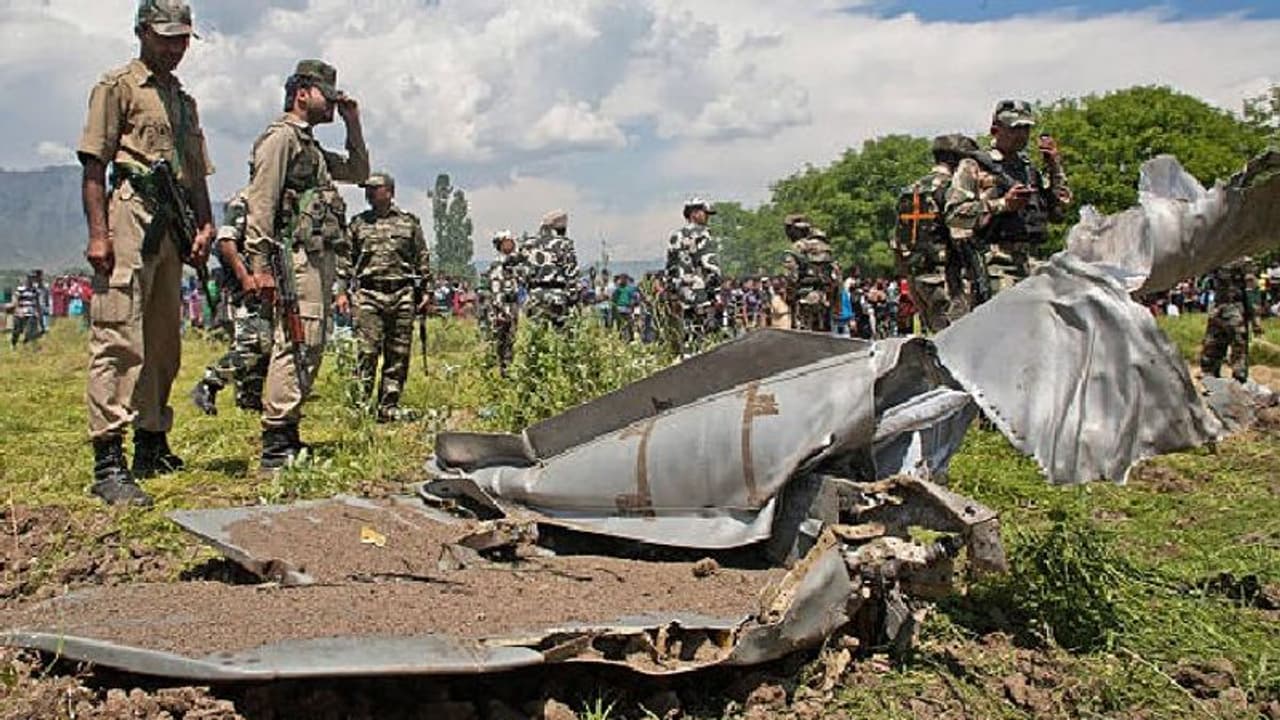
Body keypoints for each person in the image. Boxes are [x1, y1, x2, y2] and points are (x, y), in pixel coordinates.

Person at [78, 0, 216, 506]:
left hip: (173, 225)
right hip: (130, 214)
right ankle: (108, 459)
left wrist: (205, 224)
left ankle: (152, 440)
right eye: (166, 37)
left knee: (162, 341)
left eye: (182, 38)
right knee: (118, 335)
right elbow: (94, 165)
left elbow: (196, 173)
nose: (176, 48)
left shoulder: (184, 101)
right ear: (142, 32)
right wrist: (99, 235)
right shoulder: (117, 86)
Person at [242, 59, 368, 472]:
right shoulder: (281, 139)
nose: (332, 103)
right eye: (326, 96)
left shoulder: (308, 145)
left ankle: (288, 433)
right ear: (301, 94)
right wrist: (259, 264)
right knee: (296, 339)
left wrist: (353, 123)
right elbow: (261, 202)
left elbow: (359, 171)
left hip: (316, 257)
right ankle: (276, 443)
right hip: (293, 257)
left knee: (308, 341)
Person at [946, 100, 1071, 292]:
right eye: (1014, 128)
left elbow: (1058, 213)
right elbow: (954, 215)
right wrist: (1003, 204)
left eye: (1026, 128)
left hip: (1033, 265)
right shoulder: (974, 166)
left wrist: (1054, 167)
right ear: (995, 130)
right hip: (995, 266)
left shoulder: (1029, 170)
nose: (1021, 135)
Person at [345, 171, 430, 422]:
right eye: (367, 189)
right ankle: (360, 405)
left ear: (389, 192)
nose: (369, 193)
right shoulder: (358, 224)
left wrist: (426, 291)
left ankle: (388, 406)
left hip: (402, 293)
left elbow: (422, 258)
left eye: (375, 188)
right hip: (368, 293)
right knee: (366, 351)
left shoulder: (409, 223)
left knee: (398, 353)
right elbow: (345, 261)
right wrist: (342, 292)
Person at [191, 193, 272, 415]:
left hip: (268, 286)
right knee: (252, 345)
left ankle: (249, 400)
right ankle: (210, 382)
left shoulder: (272, 201)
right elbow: (226, 242)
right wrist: (244, 277)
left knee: (265, 348)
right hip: (248, 288)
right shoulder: (245, 201)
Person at [894, 134, 981, 333]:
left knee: (936, 335)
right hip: (946, 277)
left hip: (916, 276)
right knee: (957, 337)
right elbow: (960, 234)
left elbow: (898, 240)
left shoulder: (910, 190)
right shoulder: (951, 188)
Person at [665, 198, 722, 353]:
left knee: (686, 335)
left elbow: (670, 267)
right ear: (694, 213)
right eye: (705, 213)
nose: (707, 217)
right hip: (700, 293)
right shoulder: (703, 235)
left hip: (681, 294)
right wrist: (716, 294)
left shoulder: (676, 236)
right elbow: (710, 266)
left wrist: (672, 292)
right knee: (705, 338)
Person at [1200, 257, 1261, 383]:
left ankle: (1236, 379)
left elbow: (1251, 291)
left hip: (1231, 308)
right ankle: (1212, 379)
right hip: (1222, 308)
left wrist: (1256, 320)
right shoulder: (1220, 258)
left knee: (1235, 345)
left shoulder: (1240, 261)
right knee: (1214, 344)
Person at [522, 210, 580, 327]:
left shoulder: (529, 245)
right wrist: (573, 298)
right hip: (558, 296)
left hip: (535, 295)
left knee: (536, 332)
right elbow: (571, 273)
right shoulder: (564, 244)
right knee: (560, 333)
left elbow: (523, 272)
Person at [781, 216, 837, 333]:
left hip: (805, 297)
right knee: (824, 333)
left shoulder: (798, 247)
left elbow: (792, 277)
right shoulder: (825, 246)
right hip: (824, 297)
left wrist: (789, 295)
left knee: (804, 335)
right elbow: (835, 274)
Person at [487, 230, 526, 372]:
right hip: (503, 308)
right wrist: (502, 311)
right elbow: (496, 289)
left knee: (511, 340)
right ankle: (503, 370)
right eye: (508, 241)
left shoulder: (512, 264)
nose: (512, 243)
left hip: (512, 305)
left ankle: (508, 369)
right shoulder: (499, 263)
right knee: (502, 341)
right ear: (501, 244)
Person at [10, 272, 44, 347]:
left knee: (30, 330)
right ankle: (13, 343)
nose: (32, 280)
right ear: (27, 279)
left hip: (31, 312)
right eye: (31, 278)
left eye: (34, 278)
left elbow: (37, 301)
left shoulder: (35, 290)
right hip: (20, 312)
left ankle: (25, 343)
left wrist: (38, 312)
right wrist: (18, 309)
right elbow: (15, 299)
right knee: (17, 330)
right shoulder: (20, 289)